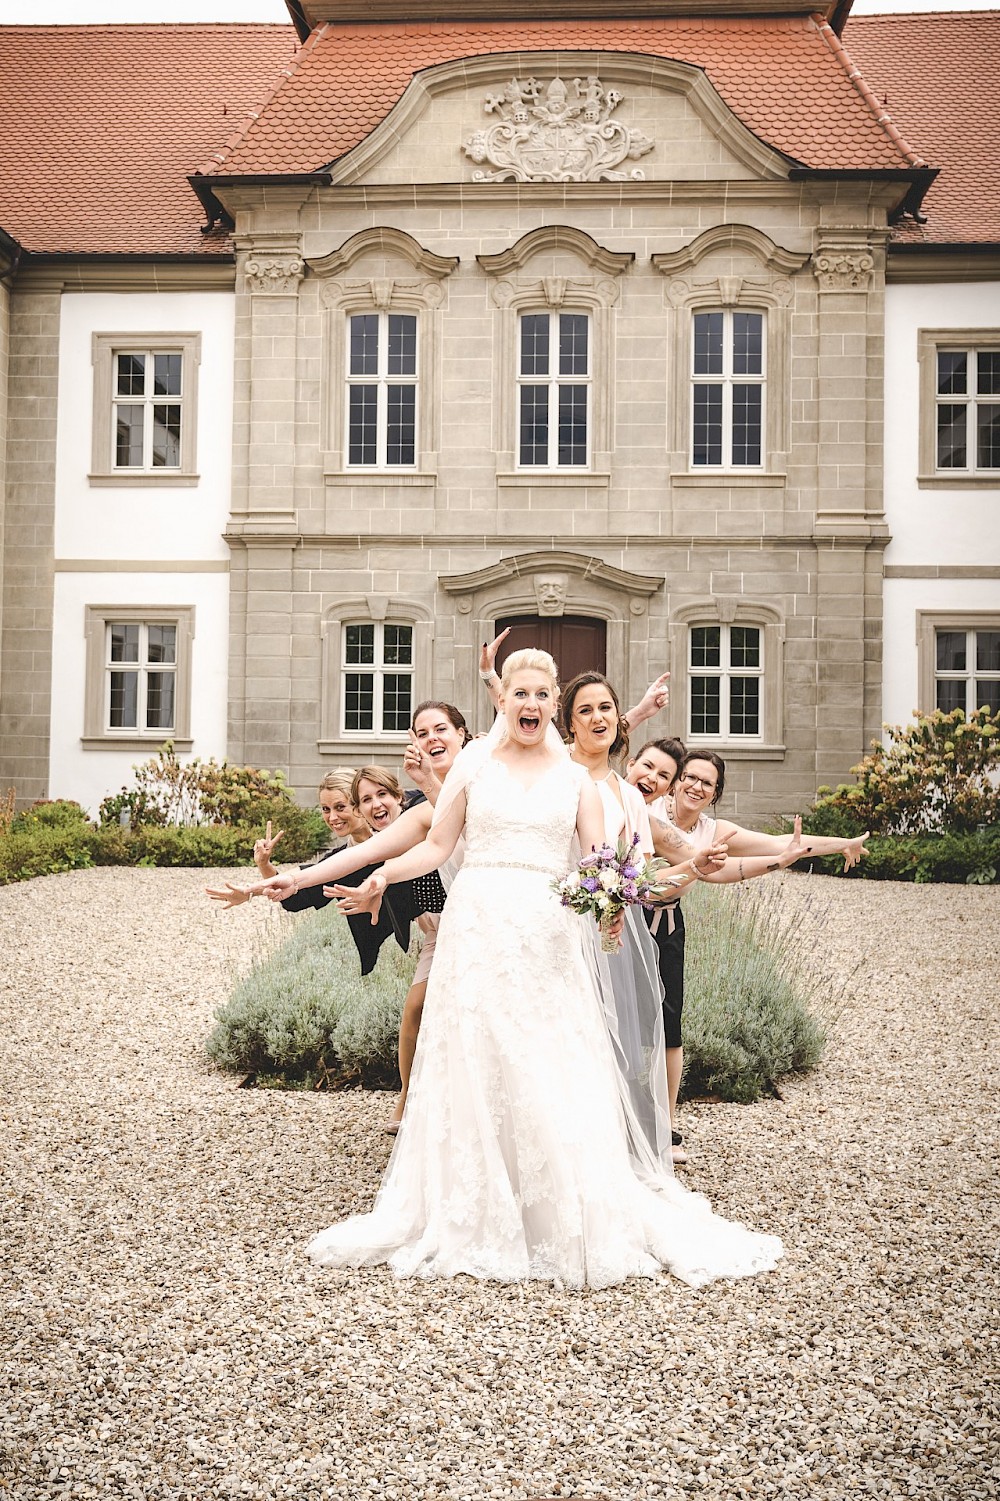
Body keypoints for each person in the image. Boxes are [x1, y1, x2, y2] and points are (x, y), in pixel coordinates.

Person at [314, 648, 784, 1288]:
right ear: (501, 698)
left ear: (550, 701)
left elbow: (601, 861)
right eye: (519, 692)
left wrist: (645, 888)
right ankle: (474, 1203)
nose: (530, 703)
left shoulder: (577, 782)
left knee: (546, 1055)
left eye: (541, 693)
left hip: (546, 931)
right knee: (476, 1055)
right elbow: (433, 845)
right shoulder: (474, 765)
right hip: (478, 927)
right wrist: (381, 877)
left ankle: (552, 1209)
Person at [623, 741, 866, 1155]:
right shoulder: (646, 815)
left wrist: (840, 842)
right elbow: (713, 866)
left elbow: (781, 843)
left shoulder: (716, 832)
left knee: (669, 1025)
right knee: (626, 1017)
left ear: (715, 794)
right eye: (690, 778)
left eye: (707, 784)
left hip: (667, 926)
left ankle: (667, 1125)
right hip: (629, 920)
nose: (696, 787)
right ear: (675, 782)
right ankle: (624, 1116)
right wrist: (775, 860)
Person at [246, 702, 473, 1132]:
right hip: (439, 934)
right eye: (362, 801)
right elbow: (334, 874)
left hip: (474, 918)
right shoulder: (365, 847)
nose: (372, 806)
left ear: (399, 796)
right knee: (417, 1011)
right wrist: (275, 876)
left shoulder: (422, 812)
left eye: (380, 796)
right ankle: (407, 1096)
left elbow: (458, 826)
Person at [204, 768, 370, 910]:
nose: (332, 817)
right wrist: (262, 868)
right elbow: (294, 899)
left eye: (340, 807)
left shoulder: (393, 843)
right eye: (326, 809)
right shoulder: (337, 861)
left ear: (360, 802)